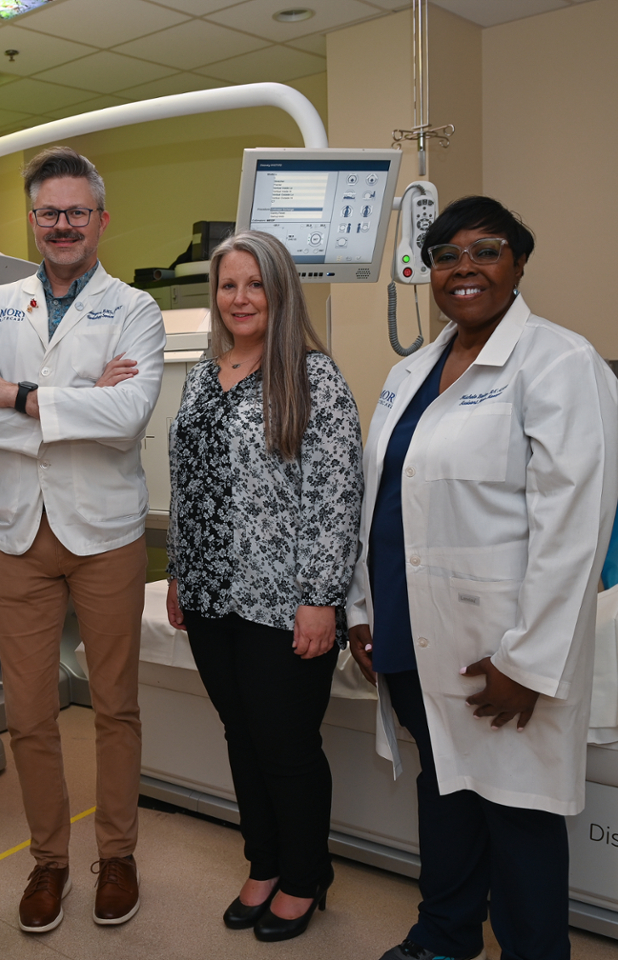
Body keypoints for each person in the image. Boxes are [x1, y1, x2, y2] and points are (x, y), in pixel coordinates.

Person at [346, 196, 618, 960]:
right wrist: (363, 610)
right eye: (445, 254)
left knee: (519, 814)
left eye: (485, 250)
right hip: (411, 631)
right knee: (446, 792)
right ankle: (446, 932)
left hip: (498, 647)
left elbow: (575, 530)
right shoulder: (410, 372)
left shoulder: (562, 364)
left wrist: (530, 661)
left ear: (519, 263)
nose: (463, 267)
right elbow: (382, 500)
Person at [0, 147, 164, 932]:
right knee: (30, 712)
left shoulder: (134, 308)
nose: (63, 224)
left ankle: (117, 855)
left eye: (78, 211)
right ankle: (48, 862)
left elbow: (129, 417)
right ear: (32, 220)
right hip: (21, 537)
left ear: (101, 220)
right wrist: (72, 410)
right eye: (49, 212)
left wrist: (18, 396)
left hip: (105, 536)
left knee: (115, 706)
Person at [165, 230, 363, 942]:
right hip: (212, 593)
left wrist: (322, 598)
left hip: (284, 601)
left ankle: (306, 875)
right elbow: (186, 481)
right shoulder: (202, 372)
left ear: (280, 291)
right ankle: (265, 861)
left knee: (285, 745)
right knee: (241, 737)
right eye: (228, 285)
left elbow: (336, 498)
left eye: (254, 284)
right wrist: (178, 572)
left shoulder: (314, 378)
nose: (240, 297)